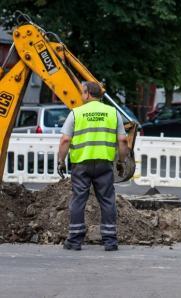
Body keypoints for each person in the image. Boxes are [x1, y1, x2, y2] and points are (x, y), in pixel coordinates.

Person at [57, 81, 129, 251]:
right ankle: (110, 241)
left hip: (81, 164)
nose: (81, 96)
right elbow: (123, 140)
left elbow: (65, 140)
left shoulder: (76, 113)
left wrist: (61, 161)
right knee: (107, 200)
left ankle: (74, 241)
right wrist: (121, 161)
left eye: (82, 92)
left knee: (78, 199)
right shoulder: (113, 113)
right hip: (104, 164)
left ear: (88, 93)